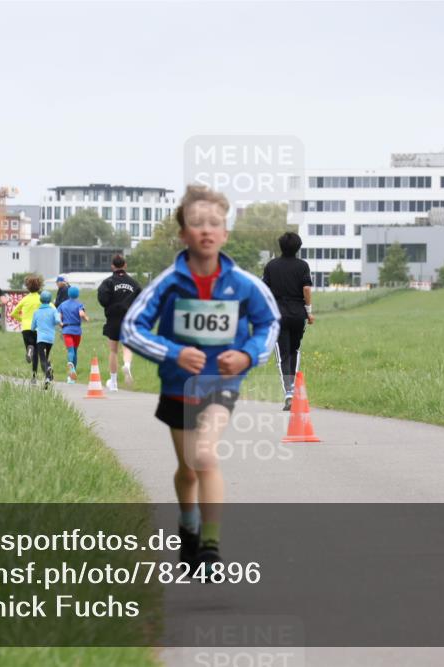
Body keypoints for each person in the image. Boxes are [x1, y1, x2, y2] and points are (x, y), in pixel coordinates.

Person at [121, 184, 280, 575]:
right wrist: (175, 352)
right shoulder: (168, 283)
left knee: (205, 456)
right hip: (177, 386)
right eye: (197, 224)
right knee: (187, 469)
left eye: (215, 224)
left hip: (221, 384)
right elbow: (131, 328)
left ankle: (209, 547)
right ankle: (187, 523)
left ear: (225, 233)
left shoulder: (244, 284)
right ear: (183, 234)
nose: (206, 230)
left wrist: (247, 355)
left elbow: (270, 322)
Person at [262, 231, 315, 411]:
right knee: (294, 350)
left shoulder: (271, 266)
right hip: (298, 314)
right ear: (298, 247)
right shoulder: (302, 266)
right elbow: (306, 290)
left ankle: (289, 392)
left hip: (277, 316)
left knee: (282, 354)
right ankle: (293, 388)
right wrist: (309, 312)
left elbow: (265, 291)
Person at [97, 254, 142, 391]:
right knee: (127, 346)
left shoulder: (108, 282)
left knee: (113, 350)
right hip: (129, 319)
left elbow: (103, 300)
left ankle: (114, 383)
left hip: (113, 319)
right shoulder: (134, 283)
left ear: (112, 266)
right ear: (125, 265)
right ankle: (127, 365)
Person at [57, 285, 89, 383]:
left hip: (66, 330)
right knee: (75, 351)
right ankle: (72, 377)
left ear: (68, 294)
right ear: (77, 294)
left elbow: (59, 317)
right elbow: (81, 314)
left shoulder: (62, 305)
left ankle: (70, 368)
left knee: (70, 351)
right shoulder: (79, 304)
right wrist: (86, 318)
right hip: (77, 331)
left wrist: (61, 324)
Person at [10, 274, 44, 365]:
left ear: (27, 287)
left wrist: (22, 319)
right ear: (39, 286)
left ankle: (29, 349)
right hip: (38, 328)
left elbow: (13, 313)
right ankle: (36, 373)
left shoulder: (24, 299)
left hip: (26, 328)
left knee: (30, 347)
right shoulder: (42, 299)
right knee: (37, 350)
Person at [30, 290, 59, 388]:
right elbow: (58, 320)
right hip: (50, 338)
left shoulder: (37, 312)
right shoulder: (53, 310)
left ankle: (47, 377)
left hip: (41, 338)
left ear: (41, 300)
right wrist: (53, 323)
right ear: (50, 300)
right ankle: (49, 368)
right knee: (47, 357)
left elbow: (32, 327)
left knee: (42, 358)